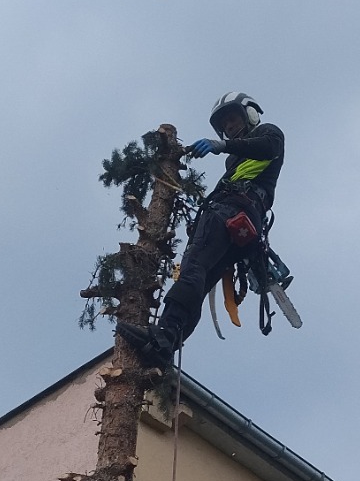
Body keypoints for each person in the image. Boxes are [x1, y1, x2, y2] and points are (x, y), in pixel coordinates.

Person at [120, 90, 284, 367]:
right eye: (224, 125)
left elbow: (267, 147)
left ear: (250, 114)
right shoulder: (236, 165)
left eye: (232, 119)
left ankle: (163, 335)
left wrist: (220, 145)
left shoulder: (269, 134)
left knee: (193, 269)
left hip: (233, 211)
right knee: (200, 279)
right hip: (238, 220)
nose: (229, 127)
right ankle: (165, 345)